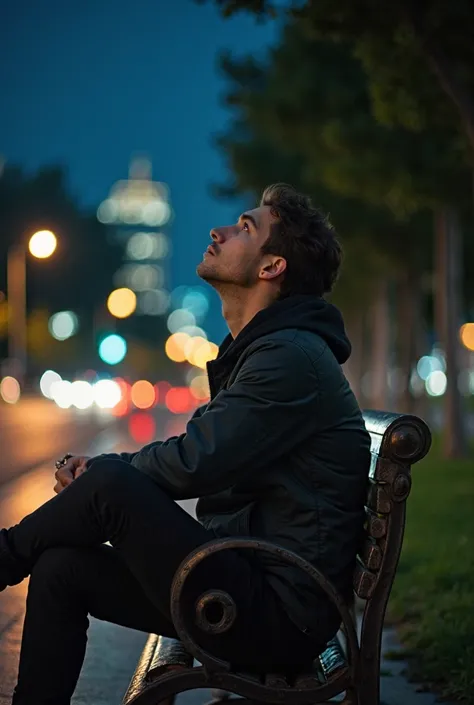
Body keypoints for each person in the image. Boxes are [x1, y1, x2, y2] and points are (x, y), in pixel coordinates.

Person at [0, 183, 371, 705]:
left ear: (272, 267)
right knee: (62, 568)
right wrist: (106, 473)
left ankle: (4, 555)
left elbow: (195, 461)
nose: (219, 232)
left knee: (110, 485)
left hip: (277, 616)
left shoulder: (288, 358)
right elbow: (200, 452)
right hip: (250, 581)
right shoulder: (269, 351)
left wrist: (103, 472)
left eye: (246, 228)